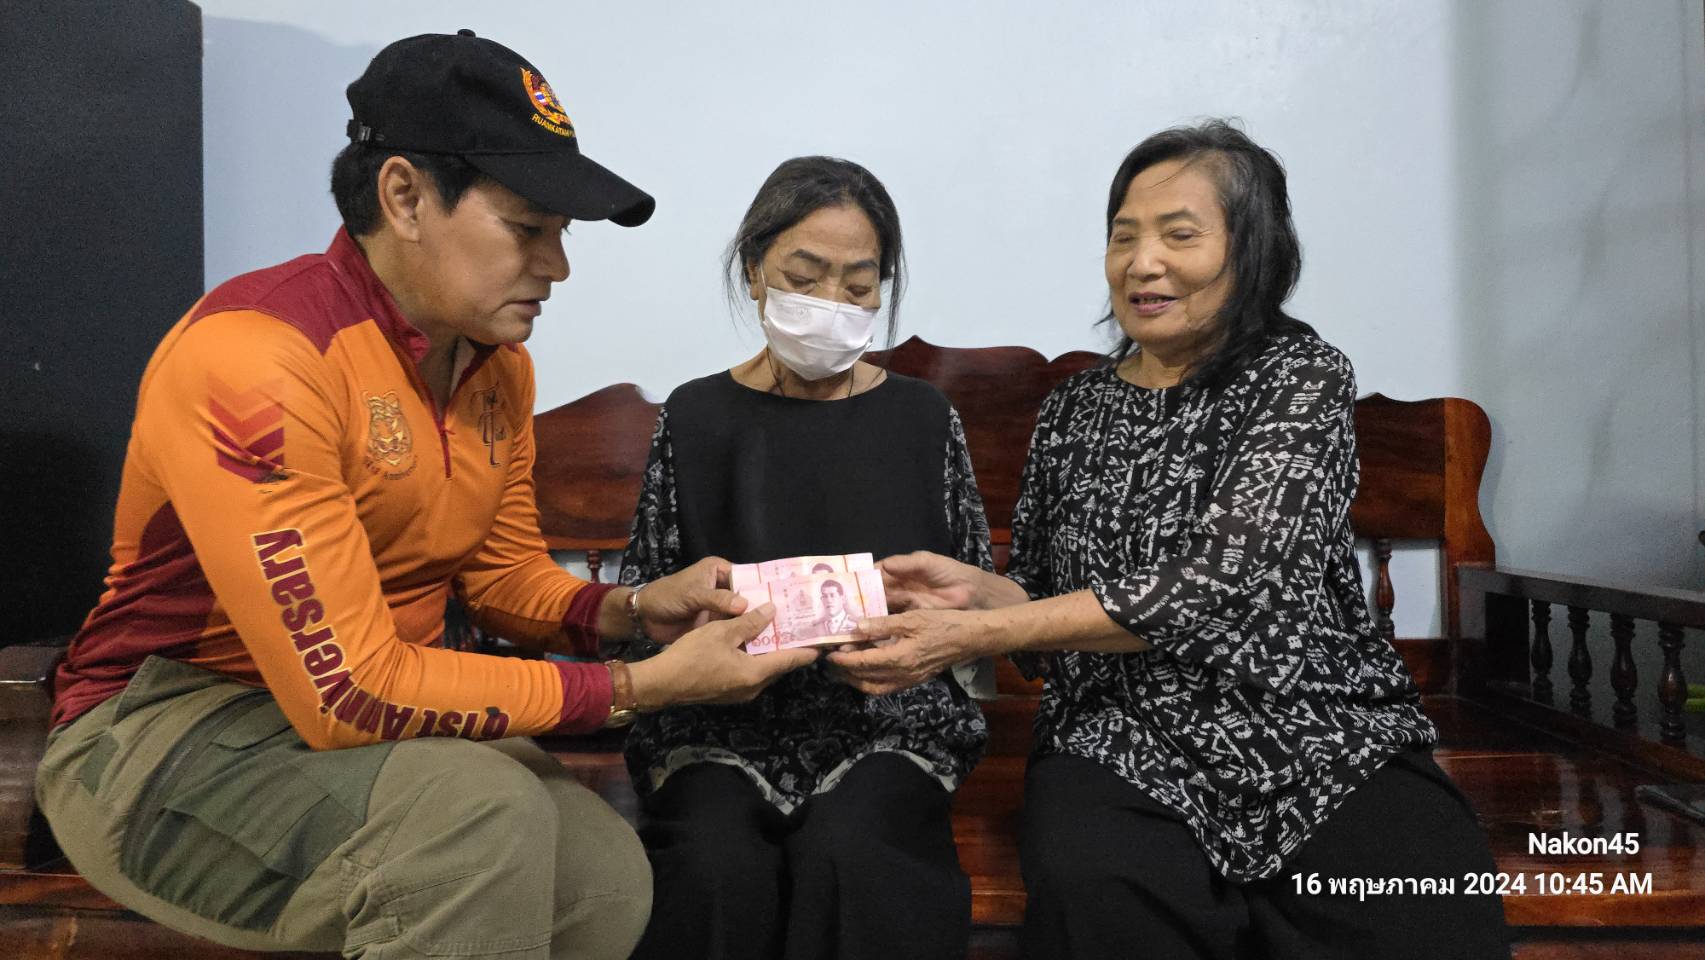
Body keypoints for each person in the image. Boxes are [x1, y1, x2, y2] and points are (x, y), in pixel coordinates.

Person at [36, 31, 815, 960]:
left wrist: (637, 610)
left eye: (561, 234)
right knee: (476, 823)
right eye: (526, 228)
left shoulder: (495, 366)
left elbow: (503, 579)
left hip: (365, 727)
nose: (557, 267)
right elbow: (349, 690)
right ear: (404, 197)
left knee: (604, 875)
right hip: (165, 731)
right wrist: (638, 686)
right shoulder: (258, 359)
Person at [832, 121, 1513, 960]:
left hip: (1312, 727)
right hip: (1111, 736)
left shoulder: (1299, 377)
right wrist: (975, 593)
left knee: (1421, 904)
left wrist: (978, 632)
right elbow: (1041, 611)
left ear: (1251, 249)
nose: (1141, 262)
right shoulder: (1073, 409)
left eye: (1178, 235)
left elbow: (1219, 584)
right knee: (1098, 894)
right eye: (1123, 236)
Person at [617, 156, 994, 960]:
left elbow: (973, 604)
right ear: (754, 271)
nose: (830, 305)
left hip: (887, 717)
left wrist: (930, 627)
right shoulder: (695, 415)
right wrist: (685, 627)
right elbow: (647, 602)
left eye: (858, 286)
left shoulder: (922, 416)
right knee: (713, 864)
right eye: (803, 277)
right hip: (719, 719)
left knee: (854, 853)